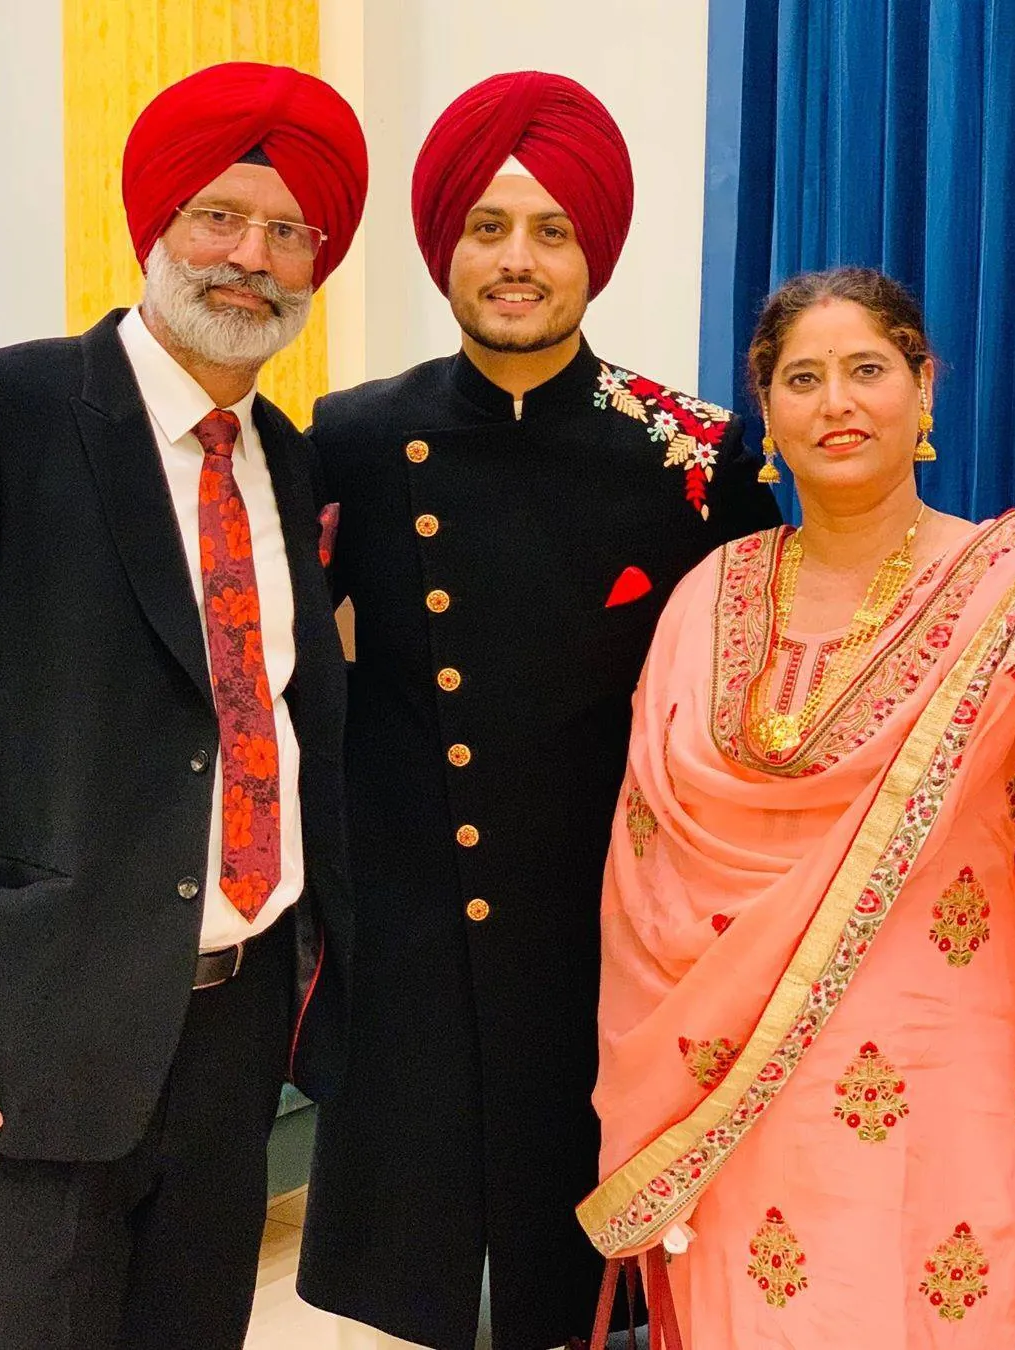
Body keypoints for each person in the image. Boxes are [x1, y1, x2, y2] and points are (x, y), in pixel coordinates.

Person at [295, 69, 780, 1350]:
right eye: (489, 226)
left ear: (595, 252)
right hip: (416, 933)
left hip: (611, 937)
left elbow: (760, 691)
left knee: (601, 1292)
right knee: (413, 1294)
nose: (518, 259)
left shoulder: (694, 452)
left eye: (553, 229)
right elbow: (276, 676)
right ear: (445, 244)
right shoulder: (349, 435)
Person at [0, 61, 366, 1350]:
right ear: (155, 226)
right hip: (32, 1037)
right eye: (219, 216)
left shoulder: (288, 462)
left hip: (236, 1030)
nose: (252, 257)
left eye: (289, 232)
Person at [578, 267, 1015, 1347]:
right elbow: (645, 866)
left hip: (944, 1068)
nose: (838, 404)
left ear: (924, 388)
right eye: (803, 379)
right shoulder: (711, 592)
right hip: (727, 1089)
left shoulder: (1004, 588)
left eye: (868, 370)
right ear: (766, 414)